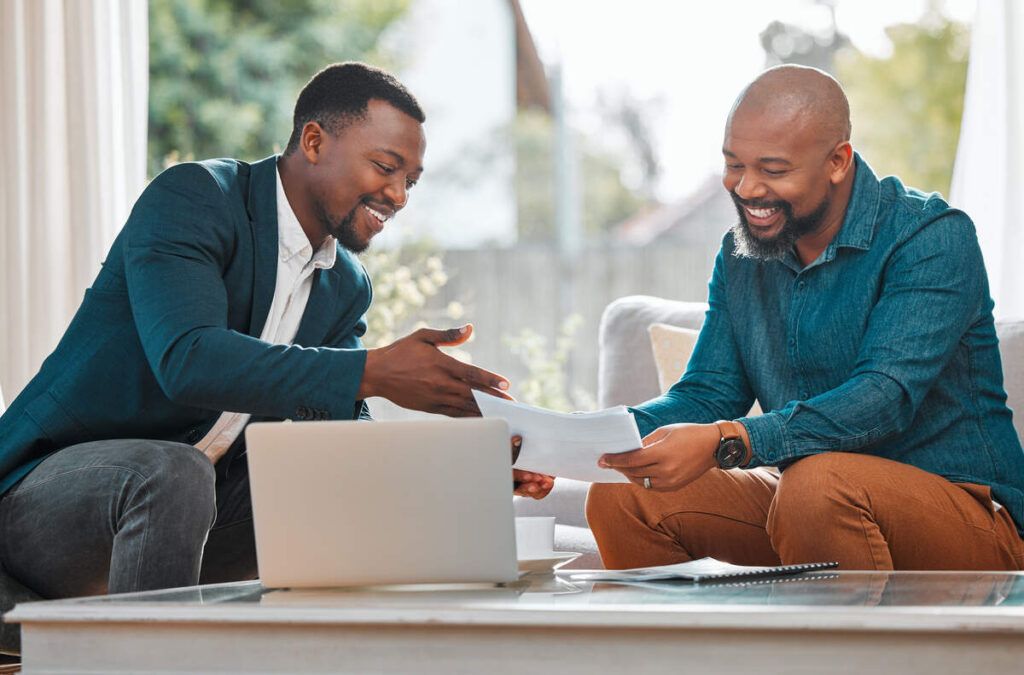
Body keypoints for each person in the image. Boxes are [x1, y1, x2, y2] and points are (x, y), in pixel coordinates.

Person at [0, 62, 553, 601]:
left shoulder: (343, 284)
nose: (399, 195)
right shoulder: (195, 198)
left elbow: (342, 440)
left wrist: (468, 469)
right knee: (175, 471)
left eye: (410, 180)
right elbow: (188, 359)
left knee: (322, 487)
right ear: (313, 142)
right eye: (385, 167)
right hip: (42, 506)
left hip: (192, 514)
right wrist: (373, 371)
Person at [586, 65, 1024, 571]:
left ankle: (834, 653)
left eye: (773, 171)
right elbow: (707, 394)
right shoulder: (740, 255)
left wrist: (734, 439)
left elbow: (883, 399)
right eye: (734, 164)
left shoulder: (929, 237)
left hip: (968, 516)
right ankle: (689, 653)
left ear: (837, 161)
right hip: (807, 506)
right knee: (623, 494)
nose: (746, 188)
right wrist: (582, 442)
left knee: (817, 485)